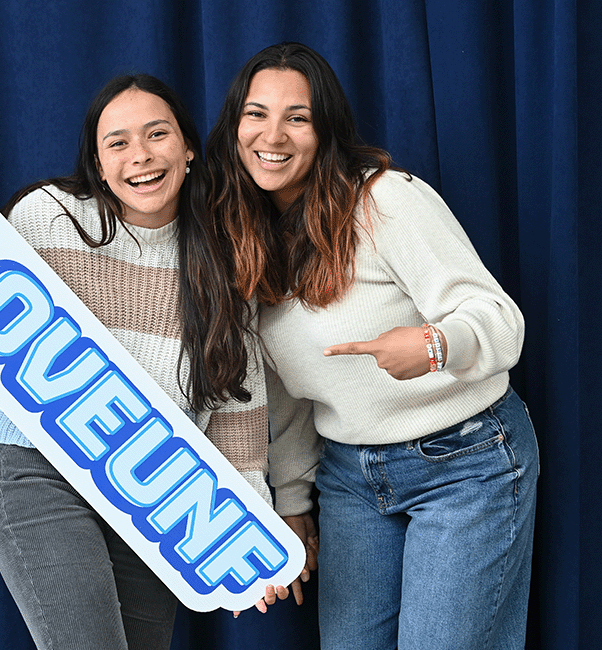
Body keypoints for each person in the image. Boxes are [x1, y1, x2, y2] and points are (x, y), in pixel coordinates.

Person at [0, 74, 297, 649]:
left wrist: (246, 526)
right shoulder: (50, 216)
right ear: (96, 159)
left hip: (160, 497)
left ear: (189, 148)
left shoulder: (223, 251)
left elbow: (238, 402)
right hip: (41, 474)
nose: (139, 156)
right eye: (116, 142)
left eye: (157, 134)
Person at [208, 43, 541, 649]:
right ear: (234, 127)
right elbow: (281, 389)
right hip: (349, 479)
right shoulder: (244, 235)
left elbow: (500, 321)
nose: (272, 134)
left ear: (325, 128)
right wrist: (292, 499)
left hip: (463, 462)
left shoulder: (385, 200)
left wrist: (435, 346)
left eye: (297, 117)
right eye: (255, 114)